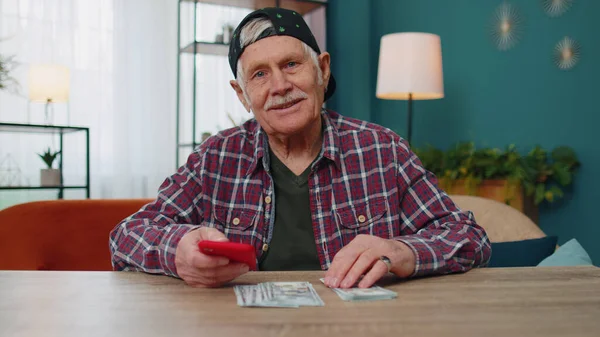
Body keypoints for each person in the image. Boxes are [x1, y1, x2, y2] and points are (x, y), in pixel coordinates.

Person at [109, 7, 491, 289]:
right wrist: (177, 251)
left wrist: (403, 252)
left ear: (322, 70)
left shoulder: (383, 149)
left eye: (292, 64)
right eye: (259, 74)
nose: (279, 86)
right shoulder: (214, 157)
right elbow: (126, 235)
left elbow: (468, 236)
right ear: (242, 96)